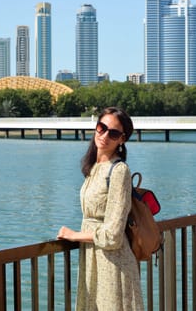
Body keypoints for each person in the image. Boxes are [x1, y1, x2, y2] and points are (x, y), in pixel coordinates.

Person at [57, 106, 144, 311]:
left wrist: (74, 235)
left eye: (113, 133)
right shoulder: (94, 168)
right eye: (101, 127)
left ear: (122, 139)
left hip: (113, 265)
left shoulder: (119, 170)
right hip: (92, 260)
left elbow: (113, 236)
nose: (104, 135)